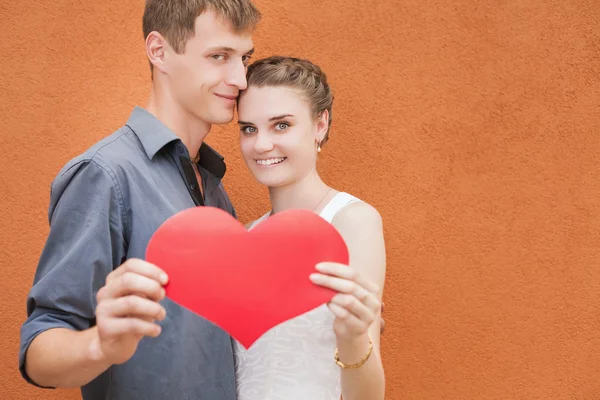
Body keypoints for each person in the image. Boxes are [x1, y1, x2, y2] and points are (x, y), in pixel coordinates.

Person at [19, 1, 261, 399]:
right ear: (159, 51)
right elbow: (39, 350)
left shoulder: (213, 187)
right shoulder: (106, 173)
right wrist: (100, 344)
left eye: (244, 57)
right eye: (219, 56)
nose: (240, 78)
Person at [233, 56, 387, 400]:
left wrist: (353, 337)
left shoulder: (351, 221)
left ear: (320, 124)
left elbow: (369, 396)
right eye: (249, 128)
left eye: (282, 125)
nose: (261, 144)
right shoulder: (244, 238)